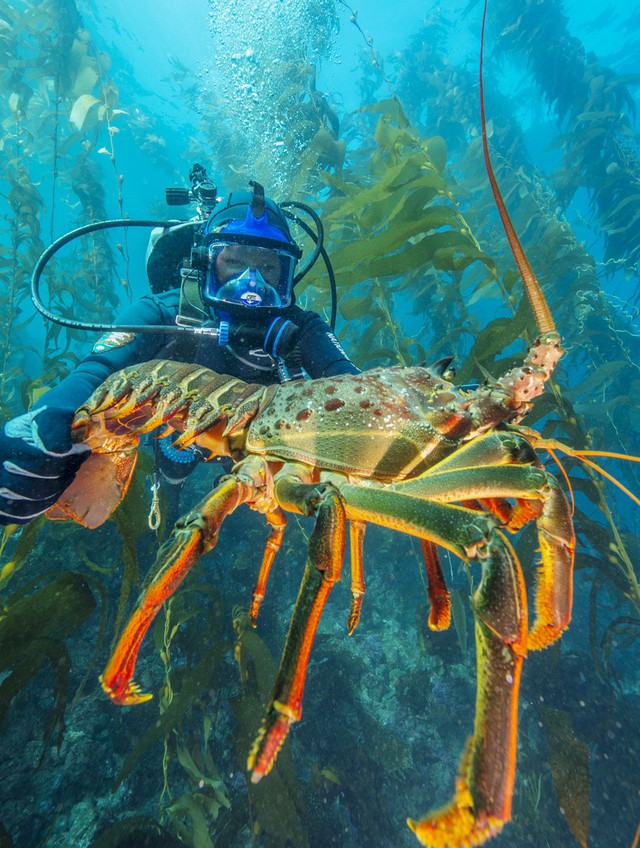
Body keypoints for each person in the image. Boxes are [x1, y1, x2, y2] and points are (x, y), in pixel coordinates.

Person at [0, 178, 358, 526]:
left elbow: (352, 386)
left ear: (286, 273)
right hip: (178, 433)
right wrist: (50, 419)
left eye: (267, 267)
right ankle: (169, 496)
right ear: (206, 262)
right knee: (173, 469)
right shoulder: (160, 313)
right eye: (234, 262)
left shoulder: (303, 328)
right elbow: (97, 369)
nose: (252, 285)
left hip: (259, 449)